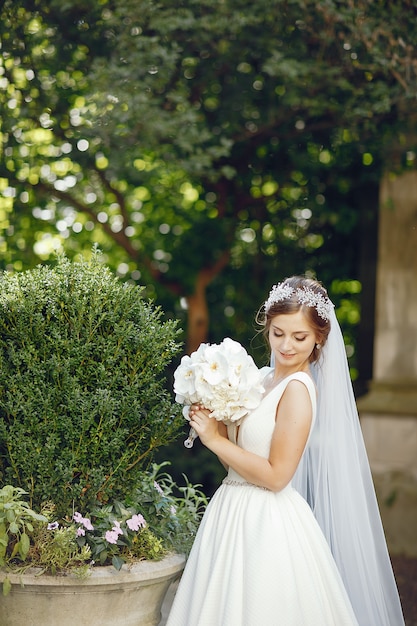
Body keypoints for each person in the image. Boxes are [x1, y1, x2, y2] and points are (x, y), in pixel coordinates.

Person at [167, 276, 404, 626]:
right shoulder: (261, 379)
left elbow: (278, 476)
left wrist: (216, 441)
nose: (287, 345)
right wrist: (213, 429)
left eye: (300, 337)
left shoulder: (297, 390)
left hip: (267, 522)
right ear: (267, 326)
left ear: (319, 338)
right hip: (230, 511)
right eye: (279, 333)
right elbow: (237, 462)